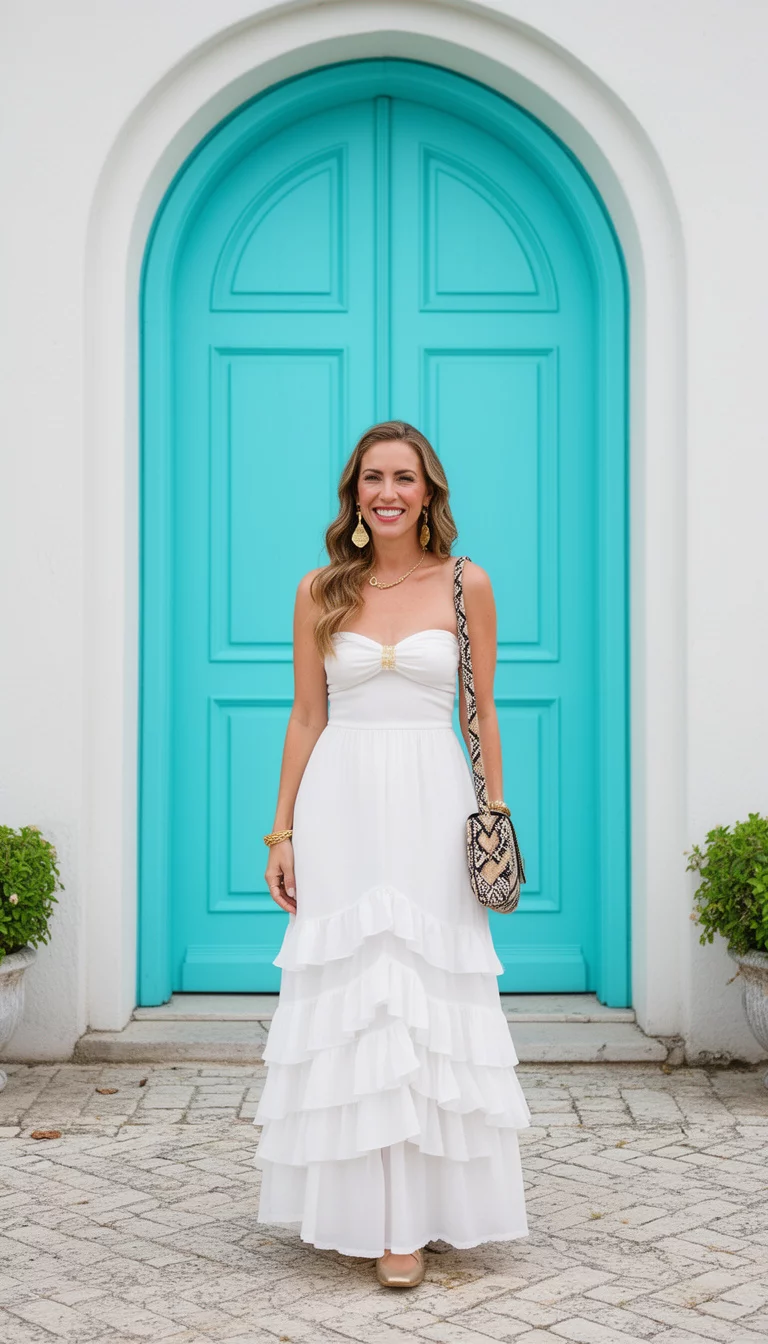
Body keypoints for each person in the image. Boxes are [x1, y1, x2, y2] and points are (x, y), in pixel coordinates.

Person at [254, 421, 530, 1286]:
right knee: (356, 994)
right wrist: (283, 830)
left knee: (423, 994)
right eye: (373, 477)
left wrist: (493, 814)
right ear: (355, 495)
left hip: (431, 801)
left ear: (428, 491)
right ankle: (370, 1219)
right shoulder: (320, 589)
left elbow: (481, 712)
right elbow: (306, 716)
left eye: (404, 477)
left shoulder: (465, 583)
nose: (388, 491)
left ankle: (425, 1213)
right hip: (341, 805)